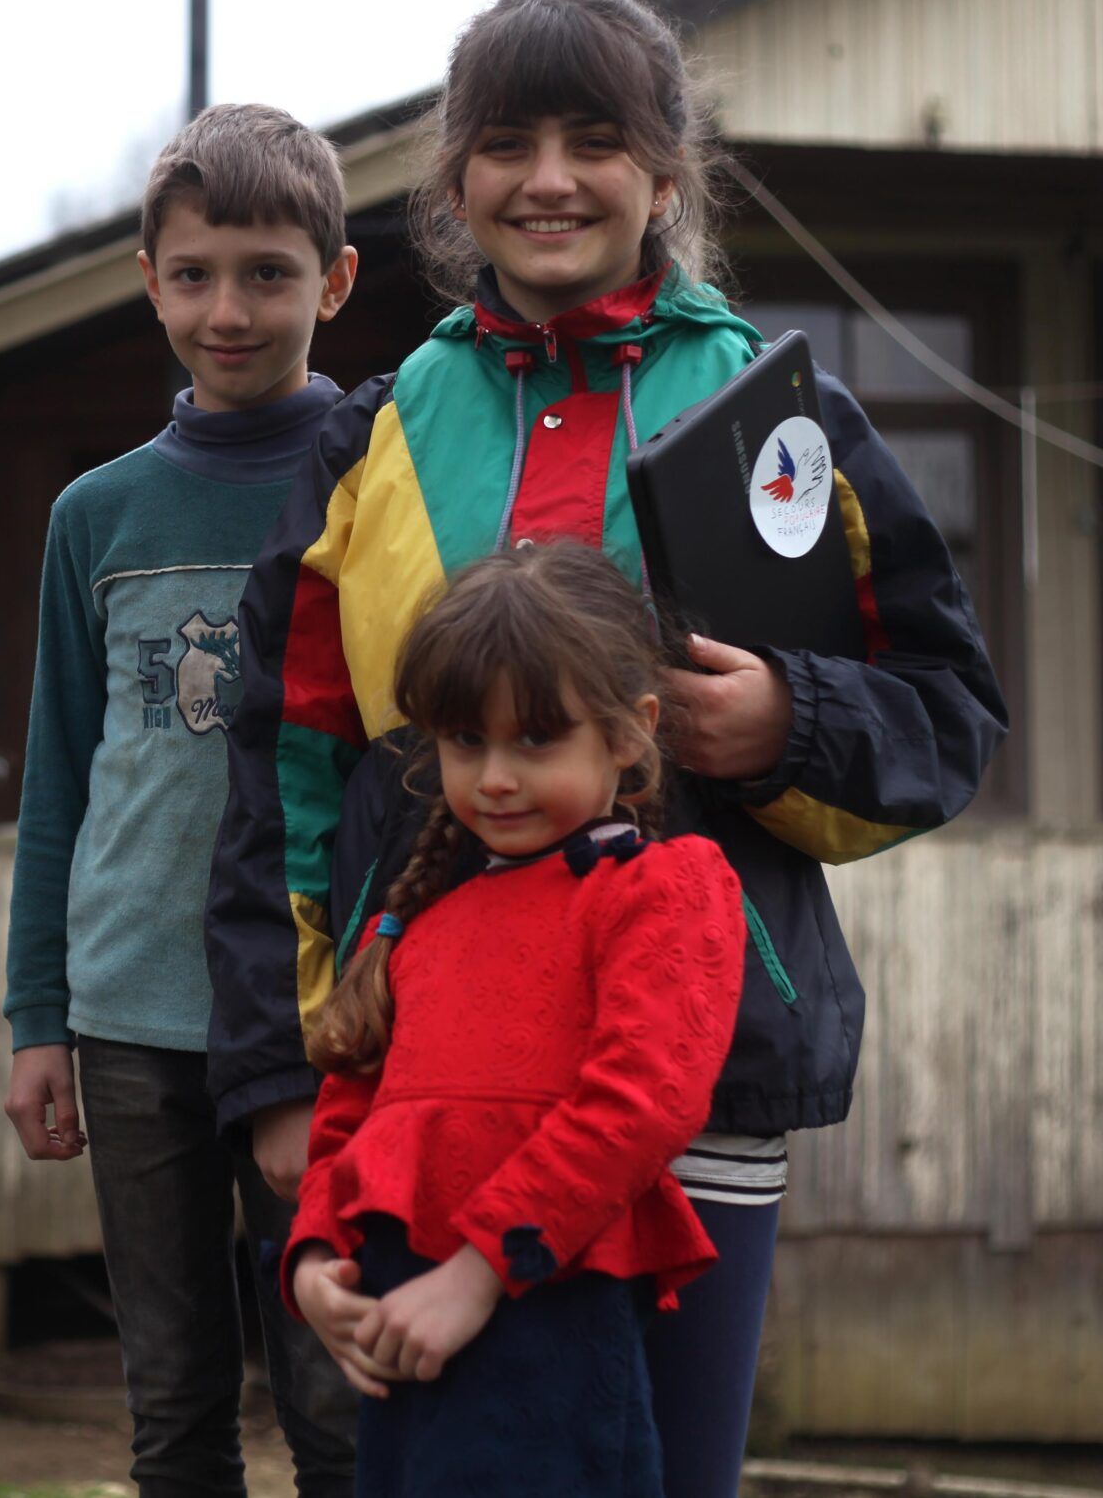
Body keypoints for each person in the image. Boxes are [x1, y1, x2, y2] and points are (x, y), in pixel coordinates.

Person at [206, 0, 1007, 1497]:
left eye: (595, 139)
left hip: (693, 1086)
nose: (551, 178)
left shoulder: (790, 421)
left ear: (665, 170)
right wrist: (281, 1074)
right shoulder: (367, 435)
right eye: (507, 143)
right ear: (456, 183)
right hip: (428, 1078)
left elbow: (952, 715)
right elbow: (284, 765)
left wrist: (787, 719)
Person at [3, 102, 364, 1498]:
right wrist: (40, 1016)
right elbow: (60, 781)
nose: (231, 307)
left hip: (323, 1010)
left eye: (270, 271)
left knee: (337, 1400)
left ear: (332, 283)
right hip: (134, 1013)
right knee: (174, 1406)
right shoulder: (97, 516)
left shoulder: (374, 486)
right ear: (149, 280)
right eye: (197, 271)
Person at [282, 542, 743, 1496]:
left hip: (551, 1315)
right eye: (464, 741)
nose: (493, 776)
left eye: (535, 738)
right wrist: (316, 1255)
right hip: (400, 1325)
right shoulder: (413, 924)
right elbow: (346, 1117)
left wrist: (478, 1271)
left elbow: (641, 1104)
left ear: (630, 732)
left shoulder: (662, 888)